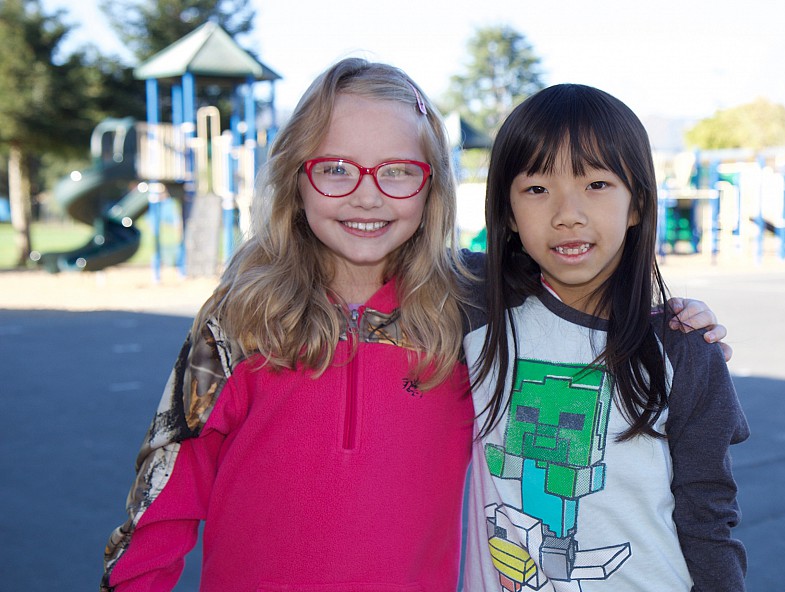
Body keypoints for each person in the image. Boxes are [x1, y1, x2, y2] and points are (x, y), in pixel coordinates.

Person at [101, 59, 729, 591]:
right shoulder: (241, 319)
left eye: (398, 171)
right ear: (297, 178)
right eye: (336, 168)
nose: (367, 195)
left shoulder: (469, 306)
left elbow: (577, 283)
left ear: (433, 190)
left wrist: (670, 320)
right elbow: (163, 497)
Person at [461, 84, 749, 591]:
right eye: (536, 188)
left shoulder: (683, 348)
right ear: (506, 212)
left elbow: (709, 518)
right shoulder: (471, 309)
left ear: (636, 203)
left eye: (596, 184)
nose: (567, 212)